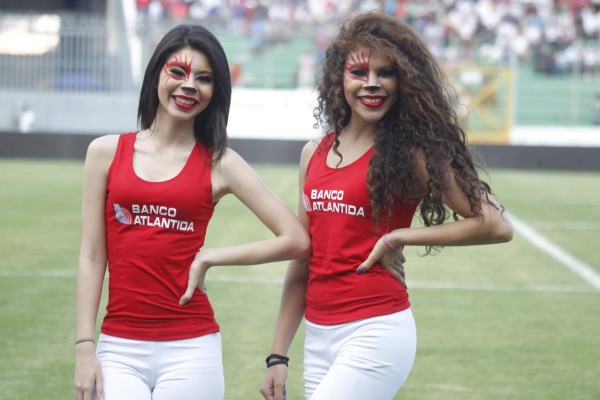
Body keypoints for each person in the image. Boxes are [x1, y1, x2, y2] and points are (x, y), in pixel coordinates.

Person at [260, 12, 513, 400]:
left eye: (386, 72)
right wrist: (278, 355)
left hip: (376, 329)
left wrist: (399, 236)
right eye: (359, 72)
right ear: (339, 78)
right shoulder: (313, 154)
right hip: (319, 335)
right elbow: (303, 256)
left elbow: (495, 224)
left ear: (404, 81)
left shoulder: (411, 154)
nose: (372, 83)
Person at [74, 24, 310, 400]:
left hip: (192, 348)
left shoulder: (221, 163)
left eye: (203, 78)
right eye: (178, 73)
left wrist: (212, 257)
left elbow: (297, 239)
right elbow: (91, 255)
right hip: (118, 347)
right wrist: (85, 347)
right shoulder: (104, 153)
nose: (189, 86)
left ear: (214, 92)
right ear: (157, 76)